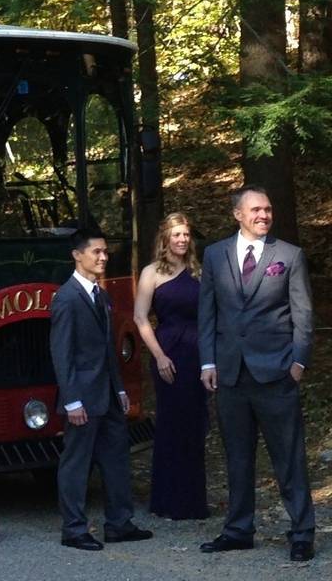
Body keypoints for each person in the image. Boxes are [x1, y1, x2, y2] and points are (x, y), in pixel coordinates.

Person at [198, 185, 315, 562]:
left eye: (267, 209)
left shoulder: (289, 255)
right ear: (238, 214)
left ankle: (301, 532)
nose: (263, 215)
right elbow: (208, 313)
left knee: (289, 458)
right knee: (237, 457)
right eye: (255, 210)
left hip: (277, 373)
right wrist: (208, 362)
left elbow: (304, 314)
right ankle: (238, 530)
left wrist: (298, 362)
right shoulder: (214, 255)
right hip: (231, 375)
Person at [51, 229, 153, 551]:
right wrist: (71, 400)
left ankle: (119, 524)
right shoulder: (66, 298)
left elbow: (108, 350)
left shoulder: (102, 296)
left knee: (116, 459)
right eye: (96, 252)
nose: (103, 257)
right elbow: (61, 352)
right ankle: (74, 529)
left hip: (108, 393)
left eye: (106, 252)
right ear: (77, 255)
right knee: (76, 464)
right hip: (82, 396)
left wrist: (120, 390)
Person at [133, 213, 209, 520]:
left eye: (186, 235)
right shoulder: (151, 273)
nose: (182, 239)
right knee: (171, 424)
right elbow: (140, 318)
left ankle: (193, 501)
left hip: (197, 352)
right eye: (176, 234)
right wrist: (160, 355)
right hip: (167, 352)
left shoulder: (199, 271)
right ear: (165, 238)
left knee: (196, 423)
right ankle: (167, 500)